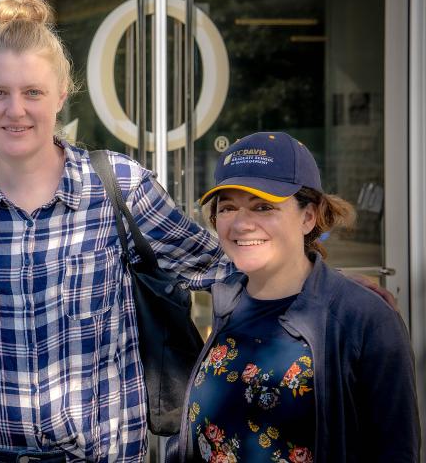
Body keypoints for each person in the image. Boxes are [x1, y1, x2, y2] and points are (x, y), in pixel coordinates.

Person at [0, 0, 234, 462]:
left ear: (61, 95)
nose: (16, 110)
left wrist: (328, 309)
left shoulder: (120, 188)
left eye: (33, 92)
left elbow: (223, 269)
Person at [170, 131, 420, 462]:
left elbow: (396, 451)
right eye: (228, 207)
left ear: (308, 216)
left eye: (263, 207)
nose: (242, 224)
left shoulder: (364, 320)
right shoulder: (226, 299)